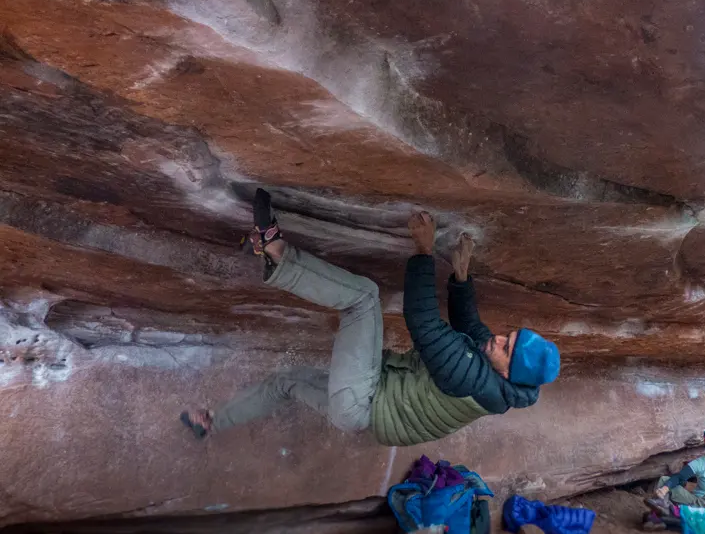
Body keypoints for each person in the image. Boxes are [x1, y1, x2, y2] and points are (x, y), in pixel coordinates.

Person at [180, 189, 560, 446]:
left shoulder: (472, 380)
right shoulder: (497, 381)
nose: (499, 339)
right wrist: (461, 278)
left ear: (509, 371)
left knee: (364, 298)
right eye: (509, 336)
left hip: (365, 401)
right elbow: (473, 331)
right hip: (361, 415)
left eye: (506, 347)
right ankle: (212, 423)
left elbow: (423, 321)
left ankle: (275, 251)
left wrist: (424, 251)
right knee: (285, 383)